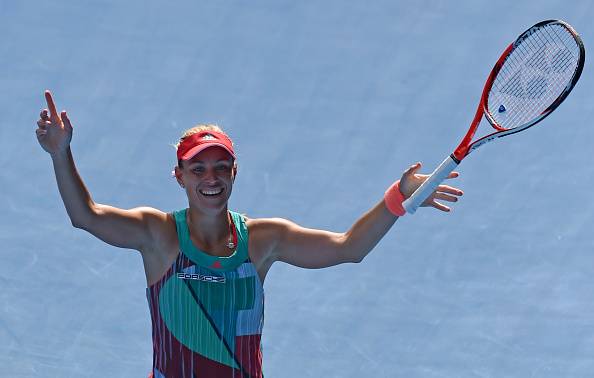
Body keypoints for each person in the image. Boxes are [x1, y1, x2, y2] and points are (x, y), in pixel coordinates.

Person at [36, 90, 463, 378]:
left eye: (222, 167)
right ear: (179, 176)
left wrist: (398, 197)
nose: (211, 178)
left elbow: (349, 248)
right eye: (198, 168)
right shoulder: (157, 234)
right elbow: (86, 216)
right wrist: (61, 154)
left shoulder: (262, 240)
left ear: (234, 173)